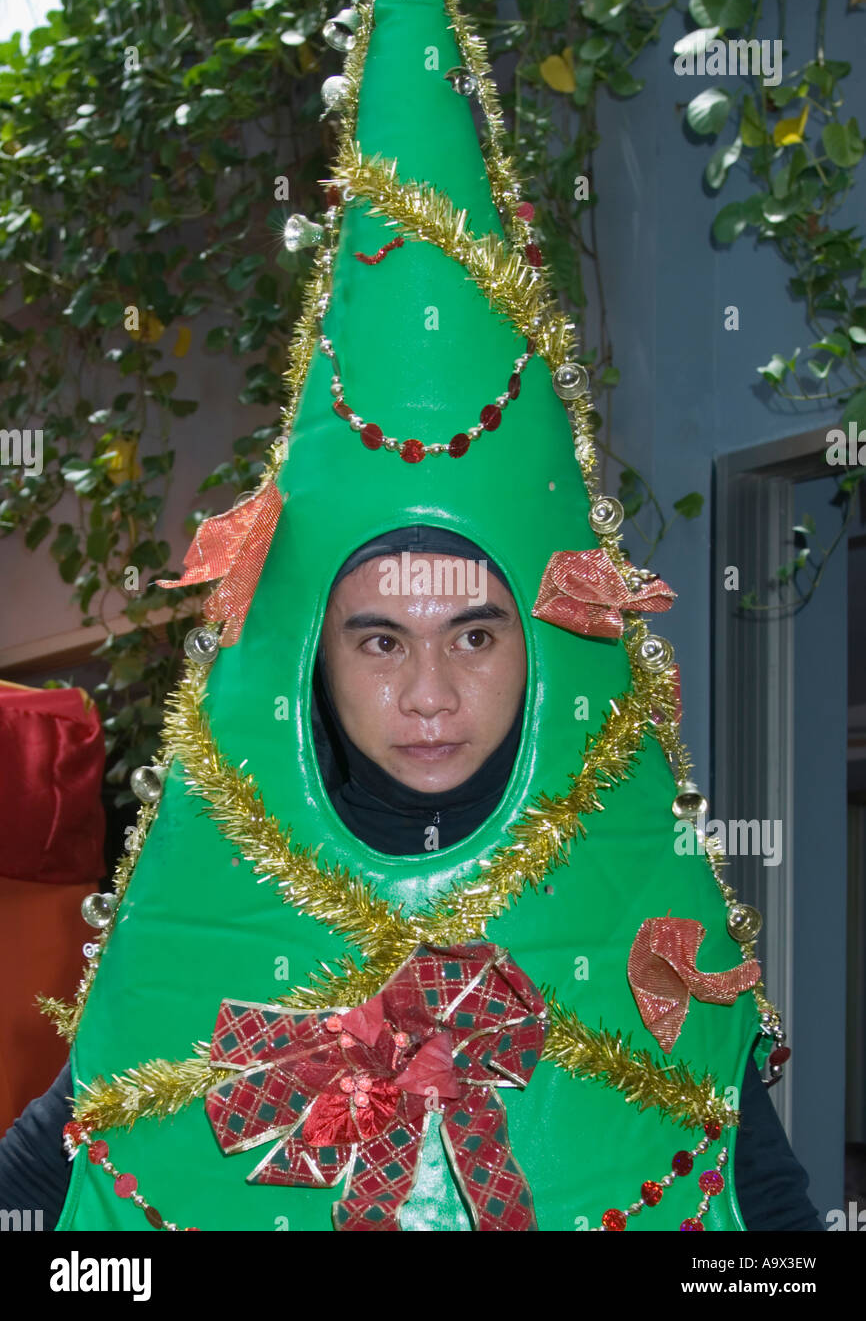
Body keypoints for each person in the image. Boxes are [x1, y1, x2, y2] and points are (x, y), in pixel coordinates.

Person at [0, 526, 824, 1231]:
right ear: (316, 658)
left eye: (473, 637)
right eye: (382, 642)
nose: (430, 697)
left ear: (533, 648)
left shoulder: (634, 896)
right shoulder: (217, 897)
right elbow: (45, 1177)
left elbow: (762, 1207)